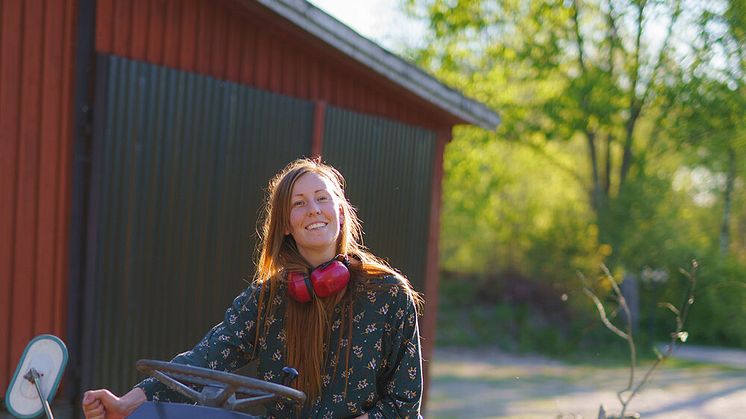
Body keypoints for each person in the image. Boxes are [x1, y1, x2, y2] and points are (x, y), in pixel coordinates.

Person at [82, 158, 424, 419]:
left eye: (322, 198)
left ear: (339, 210)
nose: (313, 210)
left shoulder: (388, 293)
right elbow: (205, 360)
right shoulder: (266, 299)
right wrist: (126, 404)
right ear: (286, 224)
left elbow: (404, 403)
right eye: (298, 203)